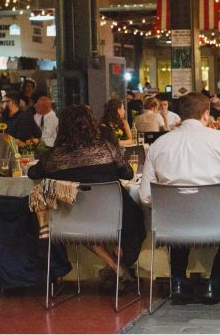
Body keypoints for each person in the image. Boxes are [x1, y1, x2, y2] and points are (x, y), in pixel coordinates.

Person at [140, 92, 220, 304]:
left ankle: (178, 280)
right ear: (206, 114)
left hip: (171, 225)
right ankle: (214, 282)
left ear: (180, 115)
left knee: (179, 214)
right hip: (216, 223)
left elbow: (145, 195)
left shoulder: (159, 144)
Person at [28, 105, 145, 292]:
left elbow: (33, 172)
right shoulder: (107, 149)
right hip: (115, 218)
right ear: (92, 125)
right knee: (135, 222)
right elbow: (128, 173)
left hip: (72, 219)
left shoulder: (52, 157)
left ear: (62, 127)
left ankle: (113, 268)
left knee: (81, 219)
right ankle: (116, 265)